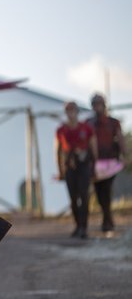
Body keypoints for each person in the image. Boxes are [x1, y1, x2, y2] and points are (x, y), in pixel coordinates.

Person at [55, 101, 97, 239]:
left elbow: (93, 147)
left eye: (73, 110)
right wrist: (60, 169)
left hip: (83, 165)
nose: (71, 113)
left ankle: (84, 227)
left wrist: (94, 166)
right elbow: (58, 150)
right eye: (68, 110)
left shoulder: (86, 128)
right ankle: (77, 225)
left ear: (77, 112)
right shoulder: (61, 130)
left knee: (84, 196)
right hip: (69, 167)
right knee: (73, 198)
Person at [87, 93, 126, 232]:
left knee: (106, 190)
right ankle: (107, 218)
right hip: (95, 164)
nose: (97, 107)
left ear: (104, 105)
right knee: (99, 192)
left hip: (111, 162)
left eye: (100, 104)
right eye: (95, 104)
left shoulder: (113, 122)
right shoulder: (89, 123)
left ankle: (107, 220)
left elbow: (120, 139)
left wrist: (124, 155)